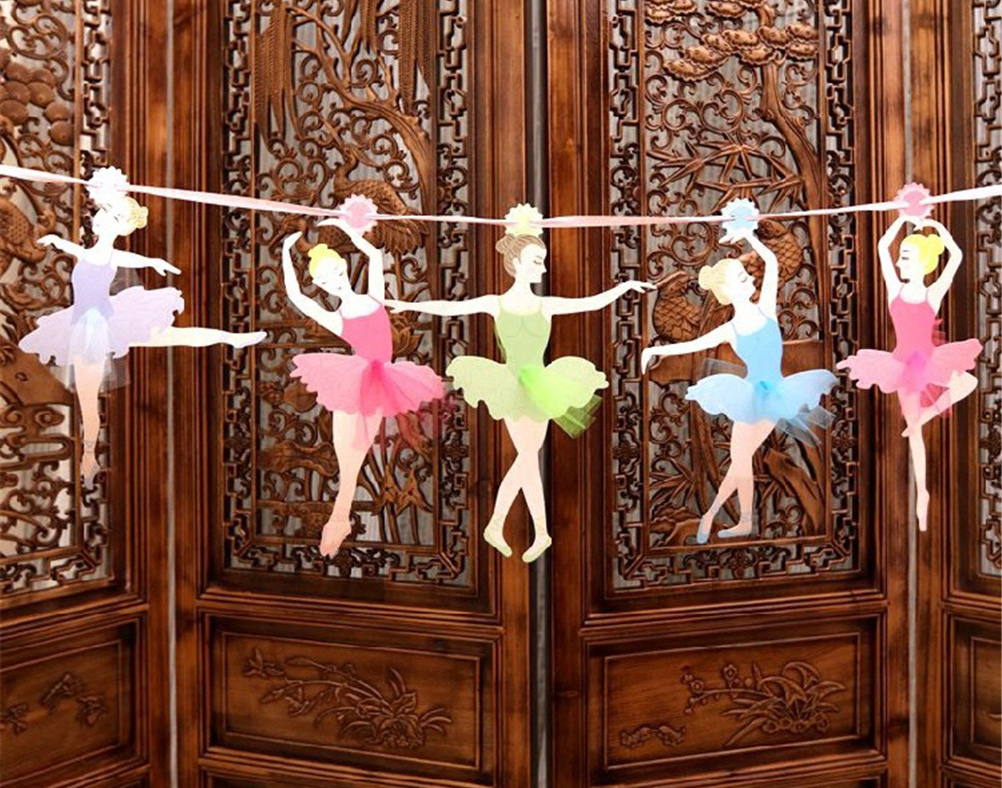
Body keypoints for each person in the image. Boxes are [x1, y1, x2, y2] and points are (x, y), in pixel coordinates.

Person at [388, 206, 654, 562]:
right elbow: (450, 308)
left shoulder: (546, 305)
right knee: (528, 456)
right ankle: (512, 527)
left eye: (542, 261)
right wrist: (401, 303)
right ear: (515, 263)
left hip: (541, 383)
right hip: (511, 384)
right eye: (536, 261)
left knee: (529, 457)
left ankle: (527, 531)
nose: (542, 268)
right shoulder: (495, 303)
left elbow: (590, 304)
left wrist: (624, 287)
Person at [20, 167, 264, 481]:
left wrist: (152, 262)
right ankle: (89, 456)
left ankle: (231, 338)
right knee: (88, 399)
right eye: (104, 210)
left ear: (120, 225)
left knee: (172, 337)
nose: (102, 215)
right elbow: (81, 251)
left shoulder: (109, 254)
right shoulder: (94, 252)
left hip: (104, 324)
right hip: (85, 325)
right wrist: (57, 240)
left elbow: (123, 258)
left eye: (111, 213)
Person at [641, 222, 835, 543]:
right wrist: (653, 350)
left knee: (740, 458)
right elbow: (693, 345)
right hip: (750, 396)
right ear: (727, 293)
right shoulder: (729, 329)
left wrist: (748, 235)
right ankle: (727, 517)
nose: (747, 279)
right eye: (739, 278)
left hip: (774, 395)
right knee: (740, 460)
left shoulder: (767, 309)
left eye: (745, 275)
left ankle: (721, 516)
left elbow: (771, 262)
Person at [282, 217, 444, 557]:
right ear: (321, 286)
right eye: (326, 281)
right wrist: (285, 251)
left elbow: (373, 255)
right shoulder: (337, 317)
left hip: (383, 379)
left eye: (336, 273)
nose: (335, 282)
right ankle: (340, 518)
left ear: (344, 267)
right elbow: (298, 297)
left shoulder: (374, 297)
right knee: (347, 452)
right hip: (355, 379)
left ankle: (339, 519)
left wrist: (348, 229)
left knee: (356, 452)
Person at [838, 214, 980, 530]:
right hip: (902, 366)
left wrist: (938, 228)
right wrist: (901, 217)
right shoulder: (895, 290)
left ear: (921, 263)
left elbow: (956, 256)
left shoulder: (932, 294)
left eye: (905, 256)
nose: (899, 262)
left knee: (968, 382)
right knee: (913, 432)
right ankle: (922, 492)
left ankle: (927, 416)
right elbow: (881, 246)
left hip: (929, 361)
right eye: (900, 257)